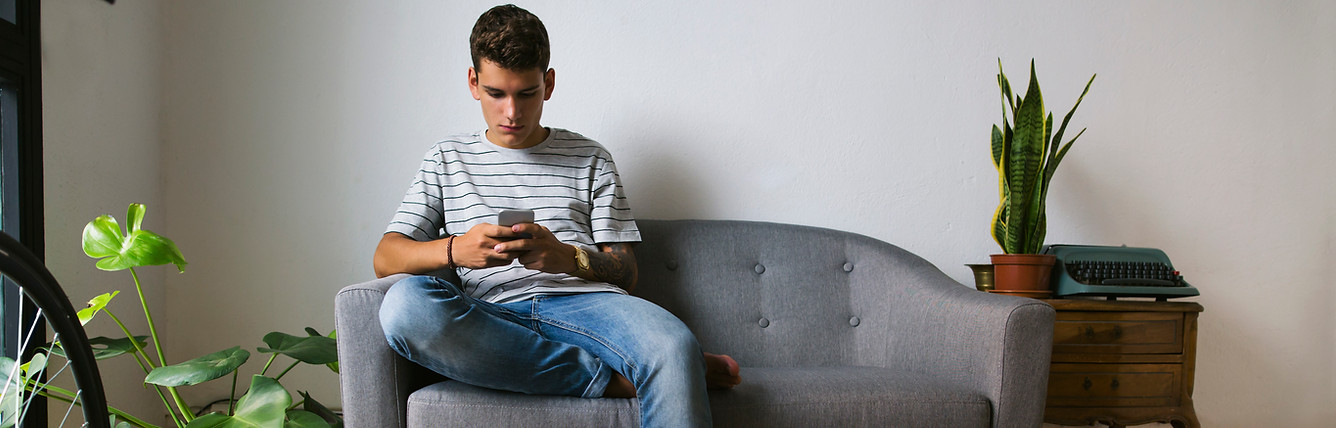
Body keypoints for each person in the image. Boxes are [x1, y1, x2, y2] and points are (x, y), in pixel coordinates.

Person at [373, 4, 740, 427]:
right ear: (474, 82)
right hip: (493, 317)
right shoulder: (445, 158)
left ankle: (667, 369)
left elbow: (626, 272)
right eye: (496, 93)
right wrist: (458, 250)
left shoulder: (591, 157)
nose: (512, 112)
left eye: (526, 93)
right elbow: (386, 257)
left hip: (590, 307)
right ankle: (613, 381)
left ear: (548, 83)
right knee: (405, 308)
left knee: (674, 345)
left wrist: (566, 258)